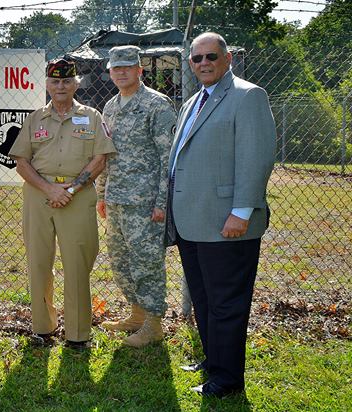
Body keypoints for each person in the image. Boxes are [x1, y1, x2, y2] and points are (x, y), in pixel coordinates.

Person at [167, 32, 276, 397]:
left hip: (228, 223)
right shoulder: (193, 101)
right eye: (196, 58)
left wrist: (242, 212)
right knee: (204, 299)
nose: (203, 63)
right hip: (193, 221)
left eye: (211, 56)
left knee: (226, 304)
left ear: (227, 58)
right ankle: (214, 361)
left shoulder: (248, 96)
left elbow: (256, 157)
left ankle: (227, 380)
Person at [8, 59, 116, 348]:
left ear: (76, 84)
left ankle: (78, 334)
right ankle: (43, 327)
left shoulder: (91, 117)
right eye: (55, 81)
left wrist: (71, 188)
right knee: (39, 262)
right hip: (39, 194)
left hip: (76, 196)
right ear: (46, 84)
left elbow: (100, 159)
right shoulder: (34, 119)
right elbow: (21, 162)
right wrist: (49, 189)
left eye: (67, 81)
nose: (61, 87)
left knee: (78, 264)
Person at [96, 46, 176, 347]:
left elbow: (168, 158)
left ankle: (153, 324)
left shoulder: (157, 104)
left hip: (145, 203)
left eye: (127, 67)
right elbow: (106, 154)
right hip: (116, 199)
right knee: (121, 261)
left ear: (139, 70)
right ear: (110, 72)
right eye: (116, 68)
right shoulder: (111, 106)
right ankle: (137, 315)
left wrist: (162, 203)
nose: (121, 72)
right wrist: (102, 194)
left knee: (146, 263)